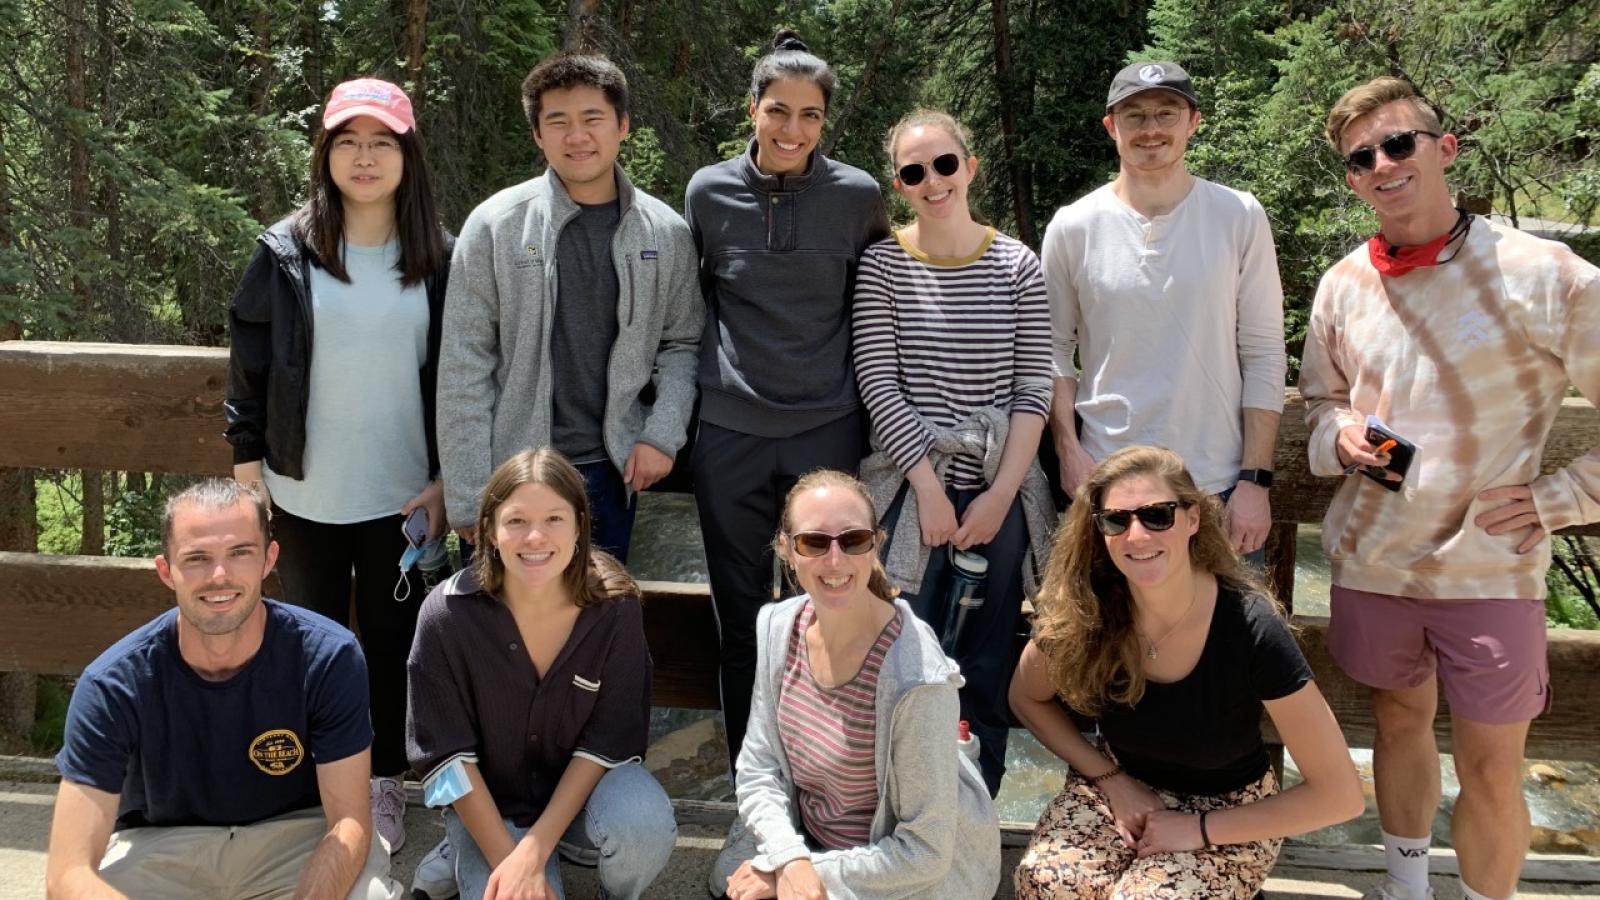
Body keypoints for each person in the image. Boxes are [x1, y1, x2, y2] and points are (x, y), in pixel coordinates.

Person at [1302, 76, 1600, 900]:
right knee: (1396, 727)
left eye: (1399, 143)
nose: (1383, 164)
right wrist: (1339, 435)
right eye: (1362, 157)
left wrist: (1560, 500)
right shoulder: (1341, 285)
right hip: (1375, 562)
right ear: (1353, 178)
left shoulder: (1546, 274)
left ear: (1444, 148)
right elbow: (1320, 405)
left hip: (1491, 569)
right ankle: (1405, 886)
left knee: (1494, 767)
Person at [224, 76, 452, 851]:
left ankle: (383, 783)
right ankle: (323, 788)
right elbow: (248, 369)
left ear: (406, 155)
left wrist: (450, 478)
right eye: (347, 141)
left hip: (402, 497)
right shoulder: (285, 252)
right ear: (324, 155)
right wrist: (248, 475)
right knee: (310, 643)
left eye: (381, 142)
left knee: (392, 649)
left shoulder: (440, 258)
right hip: (301, 492)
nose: (364, 157)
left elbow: (460, 375)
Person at [1011, 446, 1362, 899]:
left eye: (1157, 516)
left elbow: (1339, 795)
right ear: (1098, 532)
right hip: (1119, 785)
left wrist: (1198, 829)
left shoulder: (1249, 626)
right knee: (1047, 884)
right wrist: (1111, 781)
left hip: (1228, 810)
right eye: (1116, 520)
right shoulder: (1089, 609)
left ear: (1193, 519)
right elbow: (1025, 697)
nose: (1136, 536)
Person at [684, 30, 891, 767]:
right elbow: (691, 306)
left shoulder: (858, 195)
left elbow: (877, 299)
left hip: (827, 430)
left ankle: (830, 771)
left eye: (809, 115)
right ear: (753, 110)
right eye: (778, 110)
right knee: (741, 615)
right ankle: (753, 778)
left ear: (825, 121)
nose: (792, 129)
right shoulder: (708, 192)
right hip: (731, 432)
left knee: (832, 606)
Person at [45, 479, 402, 900]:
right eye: (196, 558)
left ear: (270, 559)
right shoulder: (112, 684)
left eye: (240, 553)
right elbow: (67, 872)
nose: (219, 576)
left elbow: (349, 821)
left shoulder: (329, 656)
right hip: (161, 848)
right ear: (166, 571)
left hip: (298, 838)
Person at [853, 109, 1055, 796]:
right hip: (913, 494)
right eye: (914, 172)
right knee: (897, 652)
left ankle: (972, 814)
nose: (933, 181)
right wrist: (930, 491)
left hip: (1000, 493)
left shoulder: (1018, 263)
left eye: (944, 164)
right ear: (900, 186)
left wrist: (999, 497)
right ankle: (895, 811)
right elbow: (878, 382)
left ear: (970, 167)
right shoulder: (883, 265)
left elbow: (1034, 389)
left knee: (986, 656)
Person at [437, 51, 702, 564]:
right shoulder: (496, 226)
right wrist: (471, 495)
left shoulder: (664, 232)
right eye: (557, 121)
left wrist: (661, 435)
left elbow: (683, 343)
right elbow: (465, 363)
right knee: (508, 632)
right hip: (515, 474)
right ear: (538, 134)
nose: (576, 136)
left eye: (592, 119)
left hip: (613, 470)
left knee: (598, 626)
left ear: (622, 126)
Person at [710, 470, 1002, 900]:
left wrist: (798, 873)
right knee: (729, 884)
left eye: (853, 540)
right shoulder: (777, 626)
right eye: (813, 542)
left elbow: (925, 852)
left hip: (908, 872)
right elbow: (758, 768)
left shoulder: (917, 677)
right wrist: (788, 857)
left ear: (875, 545)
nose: (835, 560)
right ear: (787, 551)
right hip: (814, 845)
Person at [1042, 60, 1286, 563]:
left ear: (1193, 121)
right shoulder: (1073, 227)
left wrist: (1255, 480)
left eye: (1166, 112)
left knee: (1227, 641)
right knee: (1109, 640)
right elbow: (1053, 350)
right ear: (1112, 128)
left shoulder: (1239, 215)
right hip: (1108, 484)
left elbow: (1263, 352)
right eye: (1134, 116)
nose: (1151, 129)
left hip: (1216, 487)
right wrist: (1068, 450)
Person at [406, 447, 676, 900]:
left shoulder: (615, 606)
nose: (535, 537)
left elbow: (610, 737)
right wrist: (512, 865)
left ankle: (590, 871)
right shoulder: (446, 615)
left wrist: (534, 850)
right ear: (489, 531)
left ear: (579, 528)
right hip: (490, 809)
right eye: (516, 521)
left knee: (644, 825)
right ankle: (465, 848)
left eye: (554, 519)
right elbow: (445, 757)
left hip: (584, 798)